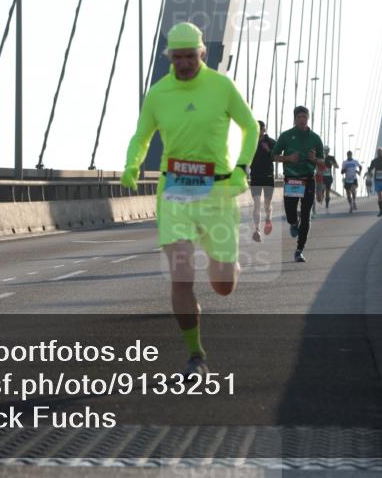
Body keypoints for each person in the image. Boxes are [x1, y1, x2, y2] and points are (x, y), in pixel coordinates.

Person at [121, 22, 258, 377]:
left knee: (223, 286)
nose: (183, 64)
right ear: (169, 57)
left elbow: (250, 127)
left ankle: (228, 265)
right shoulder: (158, 93)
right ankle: (196, 355)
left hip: (218, 192)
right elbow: (142, 136)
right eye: (177, 58)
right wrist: (132, 164)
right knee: (181, 275)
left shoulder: (222, 87)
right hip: (175, 193)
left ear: (202, 53)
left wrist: (242, 167)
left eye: (190, 57)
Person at [272, 106, 324, 263]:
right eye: (299, 117)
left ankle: (299, 250)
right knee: (290, 214)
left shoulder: (315, 138)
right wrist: (288, 158)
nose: (302, 120)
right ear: (295, 119)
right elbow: (273, 156)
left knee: (306, 215)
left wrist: (315, 159)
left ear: (308, 118)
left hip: (308, 179)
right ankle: (294, 222)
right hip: (292, 179)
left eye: (304, 117)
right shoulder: (286, 136)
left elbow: (322, 163)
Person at [249, 121, 276, 242]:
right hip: (255, 176)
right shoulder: (250, 141)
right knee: (256, 204)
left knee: (267, 204)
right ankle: (257, 230)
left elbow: (277, 156)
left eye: (260, 129)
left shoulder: (271, 142)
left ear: (264, 130)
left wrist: (268, 150)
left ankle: (268, 218)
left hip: (268, 176)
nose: (259, 131)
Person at [366, 147, 382, 217]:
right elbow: (370, 168)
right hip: (377, 180)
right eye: (378, 152)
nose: (379, 153)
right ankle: (381, 211)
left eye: (380, 152)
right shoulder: (374, 161)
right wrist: (369, 171)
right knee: (379, 197)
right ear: (377, 153)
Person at [321, 147, 338, 212]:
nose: (326, 151)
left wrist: (332, 163)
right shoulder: (320, 157)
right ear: (323, 151)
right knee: (322, 191)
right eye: (325, 150)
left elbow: (337, 166)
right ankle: (321, 199)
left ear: (328, 151)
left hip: (328, 177)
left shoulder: (331, 158)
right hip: (321, 177)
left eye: (327, 150)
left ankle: (327, 205)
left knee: (327, 192)